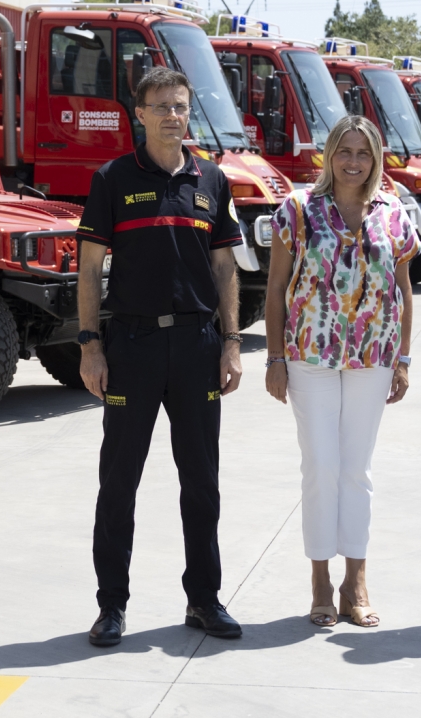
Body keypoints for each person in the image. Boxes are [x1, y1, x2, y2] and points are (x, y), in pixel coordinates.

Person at [76, 66, 247, 647]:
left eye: (181, 105)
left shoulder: (212, 180)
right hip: (132, 346)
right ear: (140, 115)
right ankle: (111, 607)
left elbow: (224, 267)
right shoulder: (112, 179)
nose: (173, 115)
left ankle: (203, 599)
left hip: (198, 347)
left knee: (202, 481)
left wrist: (231, 342)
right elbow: (90, 268)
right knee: (119, 480)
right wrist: (90, 344)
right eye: (162, 106)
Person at [264, 115, 420, 627]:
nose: (353, 162)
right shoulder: (298, 210)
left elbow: (403, 290)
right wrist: (275, 358)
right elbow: (276, 291)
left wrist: (403, 358)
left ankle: (357, 581)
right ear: (329, 155)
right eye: (344, 151)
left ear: (376, 159)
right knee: (321, 468)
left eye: (364, 153)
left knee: (357, 472)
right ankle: (319, 581)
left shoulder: (394, 214)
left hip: (373, 358)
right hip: (310, 357)